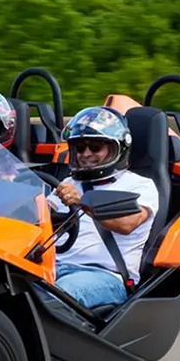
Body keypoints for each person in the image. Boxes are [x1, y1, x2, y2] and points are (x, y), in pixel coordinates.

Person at [47, 106, 158, 309]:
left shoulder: (140, 185)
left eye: (95, 147)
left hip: (105, 275)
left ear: (117, 148)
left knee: (54, 297)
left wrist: (81, 202)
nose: (85, 154)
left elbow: (128, 224)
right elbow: (39, 216)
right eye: (80, 148)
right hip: (53, 266)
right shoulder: (68, 183)